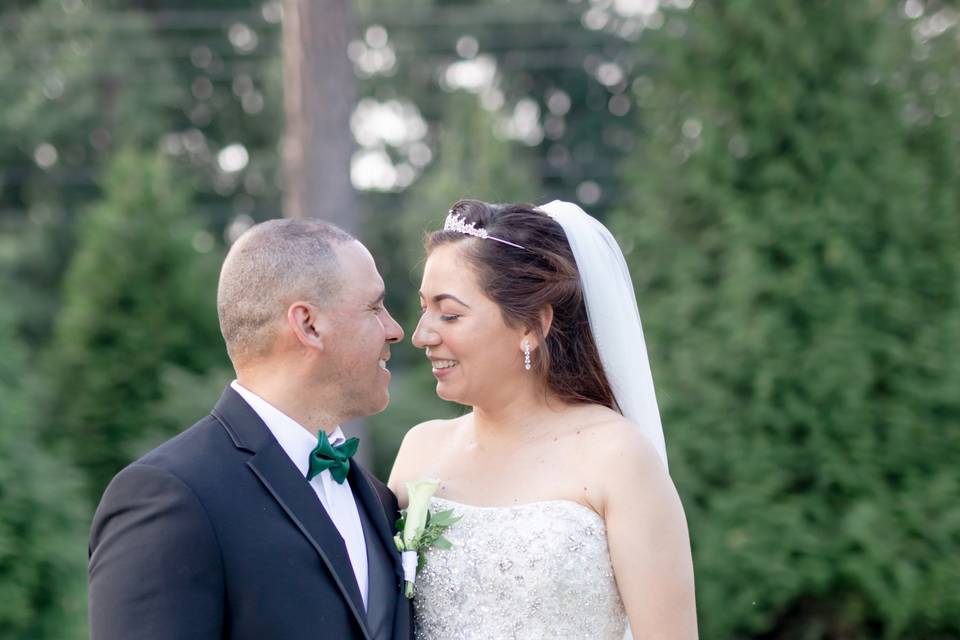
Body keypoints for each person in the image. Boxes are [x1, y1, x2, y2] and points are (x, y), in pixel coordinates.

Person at [88, 219, 412, 640]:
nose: (395, 330)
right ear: (308, 324)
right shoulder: (171, 495)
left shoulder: (378, 499)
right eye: (374, 308)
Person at [389, 200, 698, 639]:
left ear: (532, 325)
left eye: (450, 314)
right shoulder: (420, 450)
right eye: (425, 310)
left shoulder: (617, 457)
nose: (422, 335)